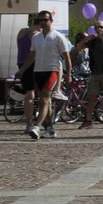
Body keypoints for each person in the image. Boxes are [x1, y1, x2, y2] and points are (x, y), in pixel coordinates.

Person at [17, 10, 73, 139]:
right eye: (40, 20)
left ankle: (36, 127)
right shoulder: (36, 37)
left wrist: (68, 74)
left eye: (45, 20)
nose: (42, 22)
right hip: (38, 71)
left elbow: (67, 57)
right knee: (45, 102)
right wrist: (22, 70)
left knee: (44, 99)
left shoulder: (58, 36)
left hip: (52, 70)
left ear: (51, 21)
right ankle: (50, 129)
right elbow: (31, 55)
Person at [72, 19, 103, 130]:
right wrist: (87, 38)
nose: (99, 29)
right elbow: (78, 47)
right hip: (95, 73)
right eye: (97, 27)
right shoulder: (92, 41)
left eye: (101, 27)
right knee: (91, 98)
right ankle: (88, 120)